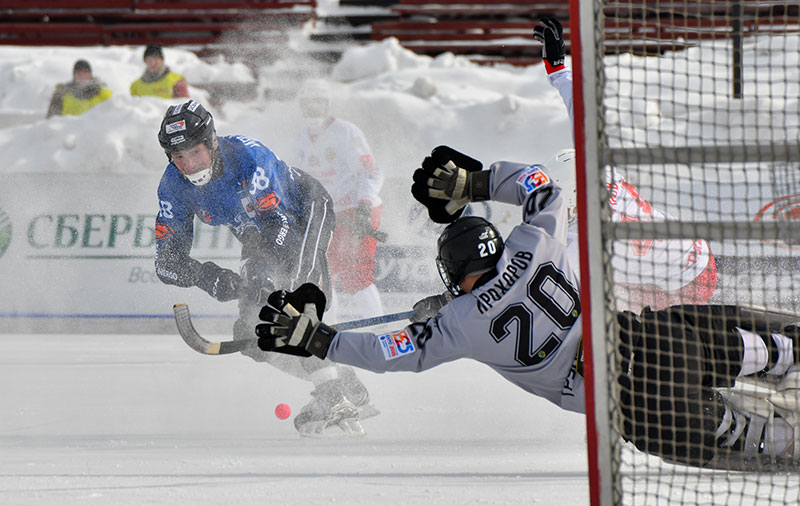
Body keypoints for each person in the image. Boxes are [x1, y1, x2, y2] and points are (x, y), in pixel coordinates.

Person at [254, 145, 800, 469]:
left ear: (453, 272)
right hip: (650, 342)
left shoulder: (460, 325)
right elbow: (545, 189)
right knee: (750, 347)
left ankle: (780, 436)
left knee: (749, 438)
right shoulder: (532, 244)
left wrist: (320, 340)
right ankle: (776, 353)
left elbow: (388, 353)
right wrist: (477, 181)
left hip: (631, 404)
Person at [153, 99, 376, 436]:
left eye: (194, 152)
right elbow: (166, 263)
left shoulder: (247, 157)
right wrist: (213, 279)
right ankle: (339, 378)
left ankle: (330, 392)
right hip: (257, 232)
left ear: (212, 142)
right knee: (250, 335)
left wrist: (263, 277)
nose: (188, 164)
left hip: (302, 211)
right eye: (178, 157)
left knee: (294, 299)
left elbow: (278, 224)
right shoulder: (173, 186)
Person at [533, 15, 718, 313]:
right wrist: (556, 70)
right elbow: (580, 112)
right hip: (696, 248)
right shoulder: (600, 171)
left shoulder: (582, 240)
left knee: (604, 311)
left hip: (689, 285)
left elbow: (544, 281)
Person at [291, 79, 386, 321]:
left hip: (356, 209)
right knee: (322, 275)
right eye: (308, 103)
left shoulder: (346, 132)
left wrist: (364, 205)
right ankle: (327, 338)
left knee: (356, 274)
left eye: (319, 103)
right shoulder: (300, 138)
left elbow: (372, 171)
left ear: (327, 105)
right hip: (327, 214)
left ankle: (380, 330)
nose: (313, 108)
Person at [46, 59, 112, 118]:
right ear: (74, 75)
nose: (82, 76)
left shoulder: (104, 94)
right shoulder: (61, 94)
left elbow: (113, 119)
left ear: (90, 74)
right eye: (79, 73)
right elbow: (51, 121)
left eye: (85, 72)